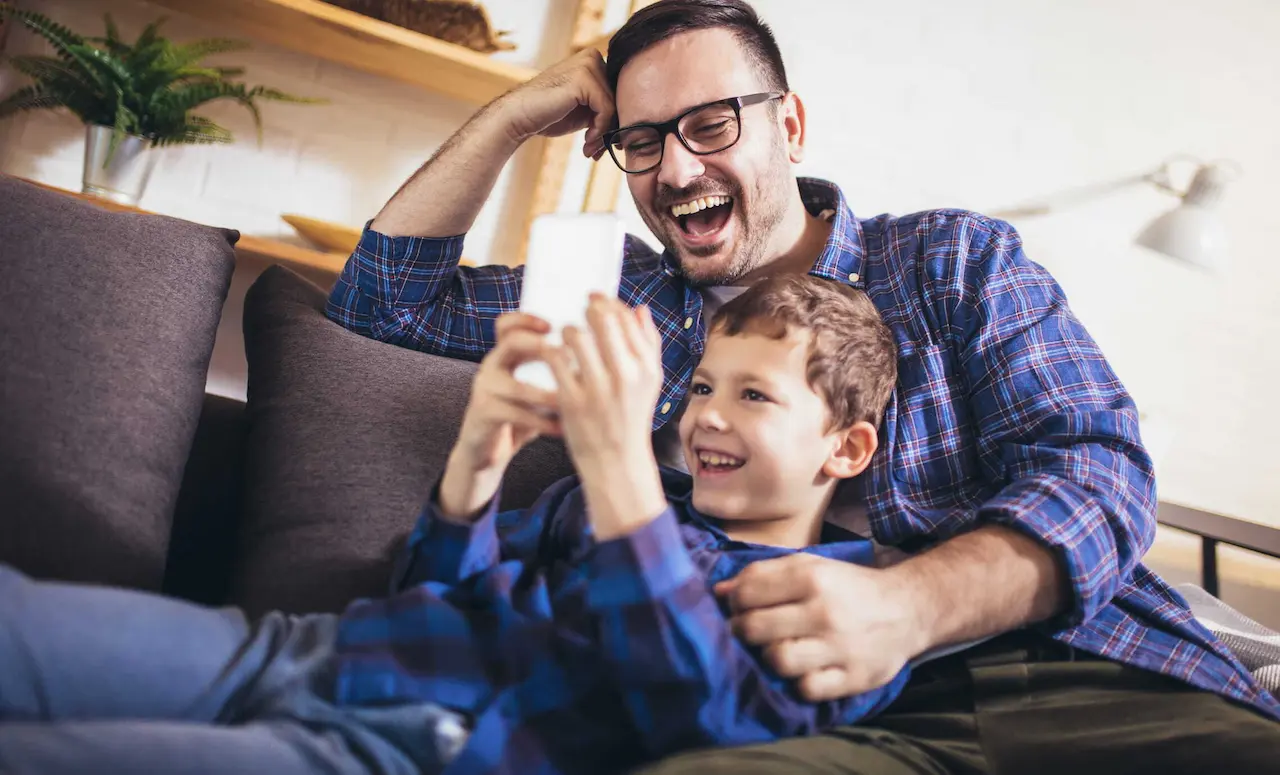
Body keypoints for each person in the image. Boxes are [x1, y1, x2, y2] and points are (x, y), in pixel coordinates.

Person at [324, 0, 1280, 771]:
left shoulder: (952, 261)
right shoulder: (623, 295)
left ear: (790, 125)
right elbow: (381, 305)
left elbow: (1102, 473)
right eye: (644, 140)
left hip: (1073, 674)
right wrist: (511, 116)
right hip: (833, 721)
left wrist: (909, 606)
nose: (677, 167)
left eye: (710, 125)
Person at [0, 275, 907, 774]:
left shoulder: (850, 614)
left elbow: (704, 721)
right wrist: (480, 451)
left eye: (755, 395)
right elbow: (428, 590)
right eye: (704, 385)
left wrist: (621, 463)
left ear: (847, 448)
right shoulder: (612, 498)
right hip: (312, 653)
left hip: (407, 751)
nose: (708, 415)